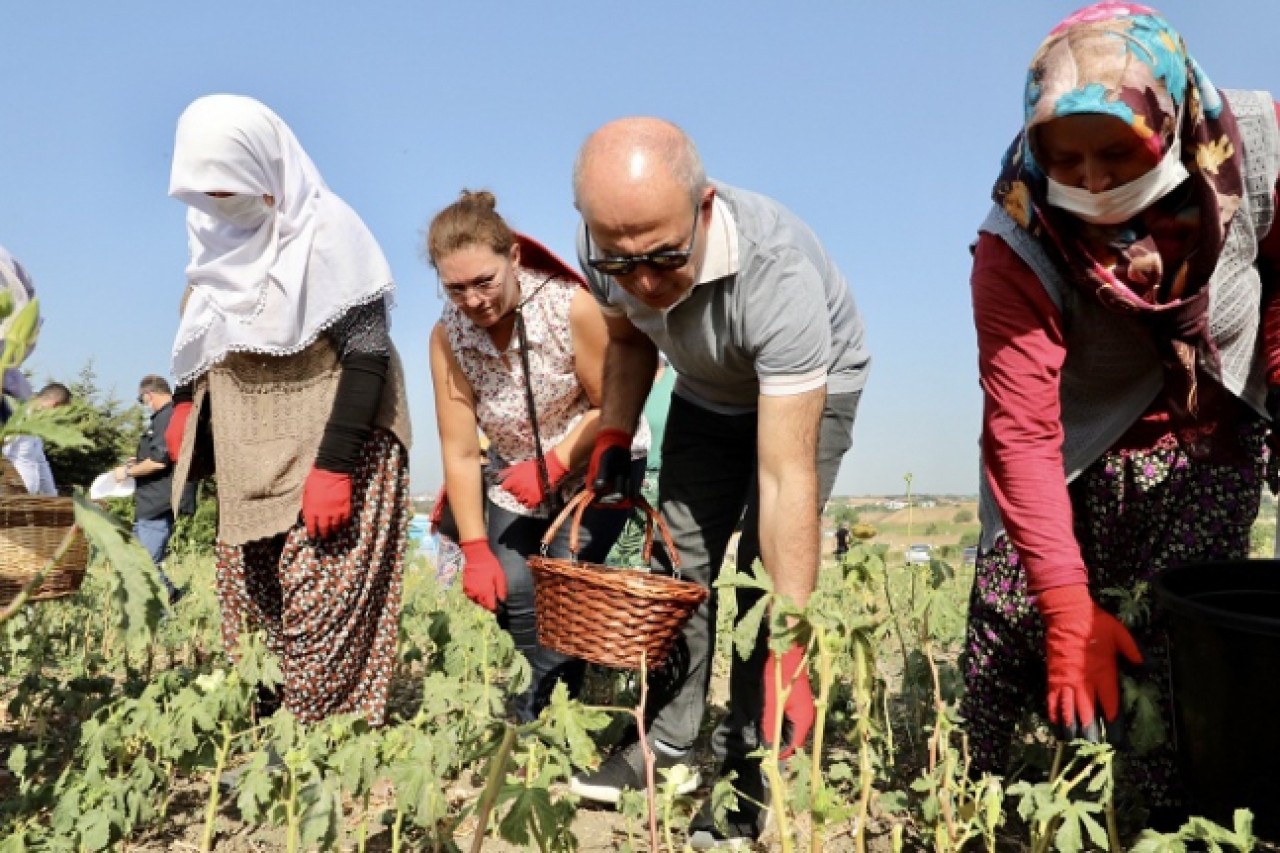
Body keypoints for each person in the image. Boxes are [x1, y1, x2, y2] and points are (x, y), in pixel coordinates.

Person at [962, 2, 1280, 821]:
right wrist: (1068, 610)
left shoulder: (1257, 145)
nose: (1093, 184)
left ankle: (1161, 825)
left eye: (1115, 151)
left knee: (1173, 662)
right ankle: (989, 815)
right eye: (1065, 158)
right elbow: (1023, 433)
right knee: (1007, 631)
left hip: (1211, 435)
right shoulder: (1018, 236)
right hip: (1069, 450)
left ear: (1170, 122)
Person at [568, 117, 871, 848]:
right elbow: (633, 336)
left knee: (758, 581)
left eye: (663, 257)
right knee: (679, 564)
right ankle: (667, 741)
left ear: (703, 209)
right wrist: (613, 429)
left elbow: (784, 473)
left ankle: (747, 771)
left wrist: (793, 630)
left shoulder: (776, 272)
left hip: (808, 391)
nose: (640, 279)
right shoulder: (604, 243)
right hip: (706, 387)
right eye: (619, 261)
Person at [164, 94, 412, 726]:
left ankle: (321, 740)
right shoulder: (210, 244)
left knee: (321, 600)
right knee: (256, 602)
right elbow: (203, 337)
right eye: (206, 194)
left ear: (269, 168)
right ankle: (272, 726)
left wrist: (333, 467)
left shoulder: (328, 233)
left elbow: (367, 355)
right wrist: (184, 403)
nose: (222, 205)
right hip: (254, 456)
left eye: (234, 189)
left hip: (338, 441)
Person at [426, 189, 647, 722]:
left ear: (515, 259)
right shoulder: (447, 337)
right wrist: (476, 550)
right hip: (517, 475)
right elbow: (459, 452)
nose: (474, 301)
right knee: (514, 584)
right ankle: (552, 696)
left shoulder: (568, 307)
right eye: (457, 289)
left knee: (563, 580)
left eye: (485, 282)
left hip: (596, 458)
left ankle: (549, 712)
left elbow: (611, 407)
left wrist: (553, 465)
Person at [113, 375, 183, 603]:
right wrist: (138, 460)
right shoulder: (167, 416)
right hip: (150, 504)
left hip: (158, 504)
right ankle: (171, 594)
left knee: (146, 566)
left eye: (143, 400)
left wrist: (127, 472)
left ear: (148, 395)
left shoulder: (167, 416)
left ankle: (159, 618)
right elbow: (157, 455)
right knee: (135, 559)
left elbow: (160, 460)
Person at [605, 357, 675, 568]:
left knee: (648, 570)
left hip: (661, 493)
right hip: (614, 485)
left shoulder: (678, 381)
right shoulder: (610, 378)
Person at [5, 383, 69, 496]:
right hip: (7, 498)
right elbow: (3, 455)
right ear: (55, 405)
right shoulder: (16, 418)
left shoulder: (36, 426)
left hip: (24, 500)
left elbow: (41, 462)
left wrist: (52, 496)